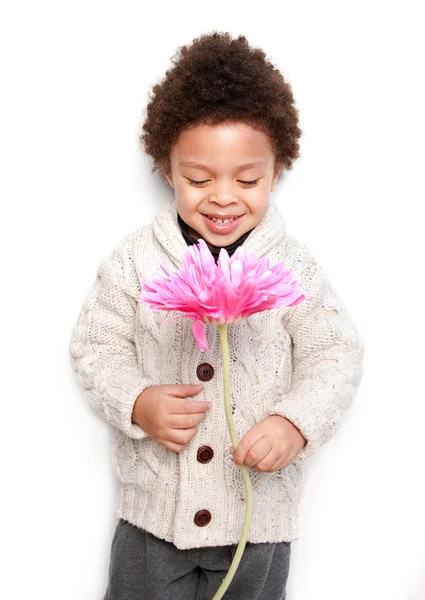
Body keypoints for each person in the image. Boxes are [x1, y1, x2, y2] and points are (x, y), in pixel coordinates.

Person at [69, 31, 365, 600]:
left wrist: (294, 423)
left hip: (257, 522)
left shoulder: (293, 265)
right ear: (167, 171)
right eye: (199, 179)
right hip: (153, 518)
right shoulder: (135, 260)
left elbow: (335, 352)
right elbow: (96, 345)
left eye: (247, 180)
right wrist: (137, 400)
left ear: (276, 171)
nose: (223, 197)